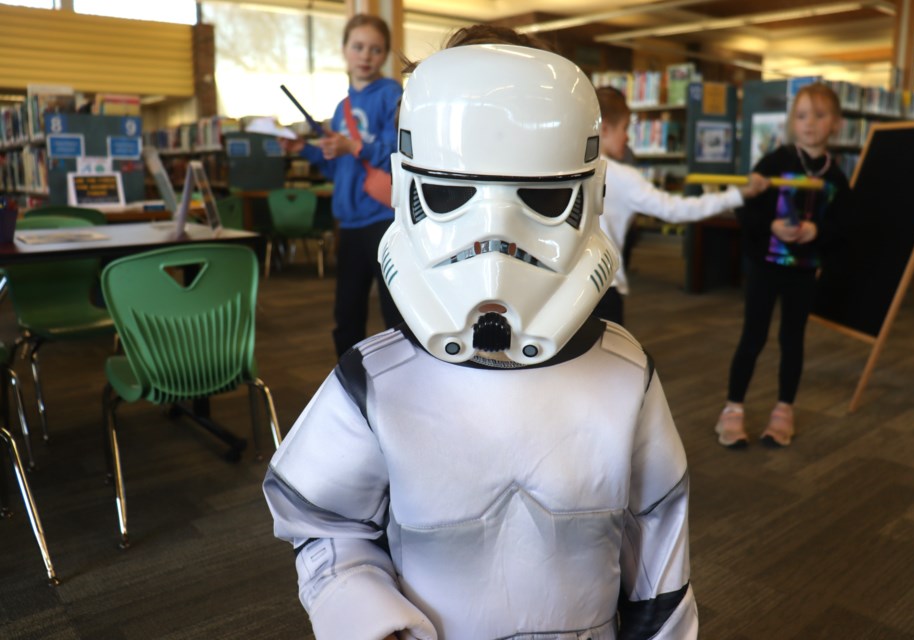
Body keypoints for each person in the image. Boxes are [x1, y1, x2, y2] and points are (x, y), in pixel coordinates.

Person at [264, 40, 698, 639]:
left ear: (592, 191)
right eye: (450, 196)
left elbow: (659, 564)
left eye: (542, 201)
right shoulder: (377, 382)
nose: (494, 244)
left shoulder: (626, 377)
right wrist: (368, 617)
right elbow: (324, 523)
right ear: (405, 185)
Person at [714, 82, 851, 449]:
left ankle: (783, 410)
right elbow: (746, 206)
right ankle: (732, 409)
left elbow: (844, 225)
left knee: (793, 340)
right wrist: (770, 225)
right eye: (802, 115)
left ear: (836, 123)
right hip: (765, 267)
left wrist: (817, 231)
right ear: (793, 121)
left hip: (804, 271)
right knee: (753, 337)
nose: (809, 123)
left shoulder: (836, 178)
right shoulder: (775, 161)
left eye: (820, 116)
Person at [281, 14, 403, 357]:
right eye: (358, 47)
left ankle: (406, 390)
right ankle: (350, 388)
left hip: (383, 220)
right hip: (348, 223)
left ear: (385, 55)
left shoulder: (392, 95)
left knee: (396, 313)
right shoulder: (341, 108)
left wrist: (354, 146)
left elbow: (399, 155)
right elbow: (339, 171)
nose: (366, 56)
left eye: (376, 49)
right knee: (346, 314)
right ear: (344, 50)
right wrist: (302, 150)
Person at [594, 86, 769, 325]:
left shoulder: (564, 170)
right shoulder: (622, 177)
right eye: (625, 128)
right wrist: (738, 195)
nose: (627, 137)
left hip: (567, 292)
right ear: (604, 129)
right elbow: (675, 210)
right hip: (604, 290)